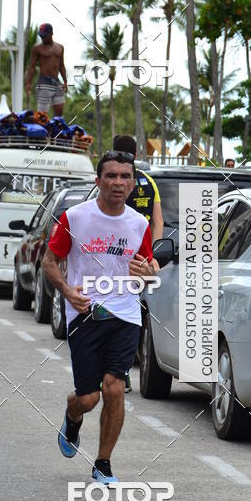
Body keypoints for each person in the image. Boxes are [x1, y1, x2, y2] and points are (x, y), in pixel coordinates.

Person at [42, 150, 160, 485]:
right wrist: (67, 291)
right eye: (111, 176)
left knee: (114, 388)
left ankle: (103, 463)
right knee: (89, 397)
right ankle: (72, 412)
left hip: (125, 314)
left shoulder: (140, 224)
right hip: (85, 313)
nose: (118, 183)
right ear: (98, 181)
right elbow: (50, 262)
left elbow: (148, 270)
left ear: (133, 183)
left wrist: (147, 272)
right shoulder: (76, 217)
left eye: (125, 176)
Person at [112, 135, 163, 392]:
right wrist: (152, 254)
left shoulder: (112, 178)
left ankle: (117, 369)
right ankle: (122, 368)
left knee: (110, 310)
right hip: (140, 258)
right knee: (133, 311)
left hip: (114, 254)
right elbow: (158, 222)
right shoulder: (148, 181)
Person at [24, 23, 68, 116]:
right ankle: (41, 130)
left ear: (51, 33)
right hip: (44, 83)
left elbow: (61, 65)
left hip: (57, 82)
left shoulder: (60, 48)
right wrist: (28, 83)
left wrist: (65, 82)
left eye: (44, 36)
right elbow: (31, 66)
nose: (42, 38)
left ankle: (56, 130)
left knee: (59, 113)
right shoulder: (37, 48)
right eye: (41, 36)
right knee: (42, 116)